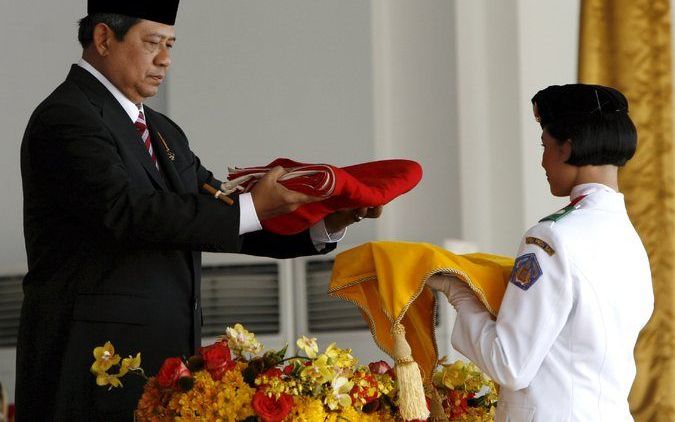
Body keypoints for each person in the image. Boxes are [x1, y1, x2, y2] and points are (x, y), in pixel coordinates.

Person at [16, 1, 381, 420]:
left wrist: (325, 221)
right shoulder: (67, 116)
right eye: (152, 42)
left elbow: (214, 212)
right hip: (89, 372)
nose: (166, 59)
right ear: (103, 38)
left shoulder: (163, 130)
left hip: (164, 371)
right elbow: (129, 212)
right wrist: (251, 206)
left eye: (170, 44)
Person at [428, 84, 653, 421]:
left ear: (567, 147)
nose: (542, 160)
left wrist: (458, 291)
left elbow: (510, 363)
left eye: (545, 145)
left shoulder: (552, 237)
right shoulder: (631, 242)